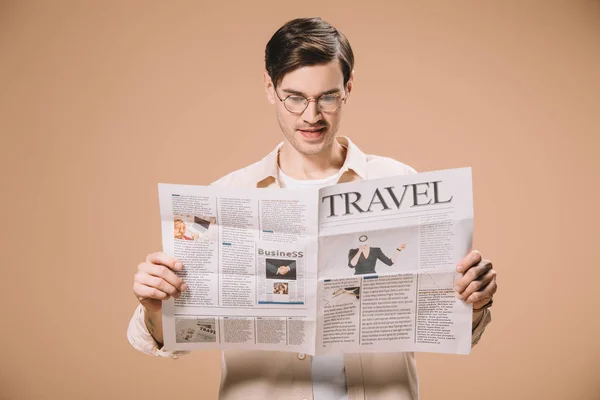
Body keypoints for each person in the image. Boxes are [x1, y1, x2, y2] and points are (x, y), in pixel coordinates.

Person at [128, 17, 497, 400]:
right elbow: (172, 339)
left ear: (348, 88)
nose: (311, 115)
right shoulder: (225, 196)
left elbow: (447, 321)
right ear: (270, 89)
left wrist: (472, 303)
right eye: (295, 97)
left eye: (328, 97)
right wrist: (157, 308)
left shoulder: (399, 181)